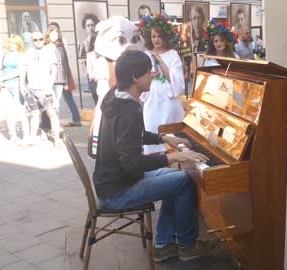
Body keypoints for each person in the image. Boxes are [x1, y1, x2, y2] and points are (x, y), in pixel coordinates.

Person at [93, 50, 221, 263]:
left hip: (112, 183)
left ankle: (164, 244)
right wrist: (174, 157)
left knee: (174, 178)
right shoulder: (128, 110)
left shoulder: (115, 95)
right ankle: (186, 245)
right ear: (135, 77)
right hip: (118, 191)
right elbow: (132, 164)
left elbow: (132, 136)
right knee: (184, 181)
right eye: (147, 71)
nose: (153, 74)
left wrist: (164, 138)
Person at [138, 14, 185, 154]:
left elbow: (176, 79)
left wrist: (159, 60)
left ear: (165, 37)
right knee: (152, 127)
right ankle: (154, 159)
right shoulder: (145, 54)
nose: (156, 40)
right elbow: (141, 75)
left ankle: (173, 159)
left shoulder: (172, 54)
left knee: (169, 131)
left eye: (159, 36)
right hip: (152, 96)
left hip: (168, 98)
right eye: (153, 36)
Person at [20, 30, 62, 147]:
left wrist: (49, 85)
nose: (38, 42)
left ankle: (57, 139)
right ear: (32, 41)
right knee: (34, 114)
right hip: (32, 88)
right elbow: (23, 70)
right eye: (35, 40)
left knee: (51, 113)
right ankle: (32, 139)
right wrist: (22, 85)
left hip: (45, 88)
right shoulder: (27, 53)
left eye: (40, 39)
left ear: (43, 39)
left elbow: (54, 70)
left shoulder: (49, 51)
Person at [45, 23, 82, 127]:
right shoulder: (47, 46)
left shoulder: (61, 44)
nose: (54, 35)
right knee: (64, 99)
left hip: (62, 74)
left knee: (61, 100)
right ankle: (75, 118)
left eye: (55, 32)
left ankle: (74, 119)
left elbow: (64, 61)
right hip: (56, 76)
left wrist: (66, 81)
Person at [0, 34, 30, 144]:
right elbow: (1, 69)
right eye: (10, 43)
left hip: (16, 84)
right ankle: (13, 135)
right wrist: (0, 81)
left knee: (21, 110)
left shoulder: (21, 55)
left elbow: (21, 71)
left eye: (14, 43)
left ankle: (26, 135)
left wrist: (6, 78)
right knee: (9, 111)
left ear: (18, 44)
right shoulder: (5, 55)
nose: (11, 45)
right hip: (6, 86)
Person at [78, 13, 99, 93]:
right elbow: (81, 60)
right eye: (88, 26)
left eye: (92, 25)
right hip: (91, 74)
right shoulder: (83, 43)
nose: (91, 28)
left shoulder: (100, 41)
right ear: (85, 27)